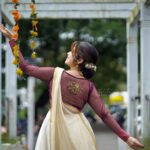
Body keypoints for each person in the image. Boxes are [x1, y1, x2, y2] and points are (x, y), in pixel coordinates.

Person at [0, 24, 144, 150]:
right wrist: (127, 138)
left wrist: (12, 40)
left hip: (53, 129)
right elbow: (105, 115)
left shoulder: (54, 73)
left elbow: (25, 67)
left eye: (72, 51)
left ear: (79, 60)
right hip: (79, 133)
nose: (68, 52)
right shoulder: (88, 86)